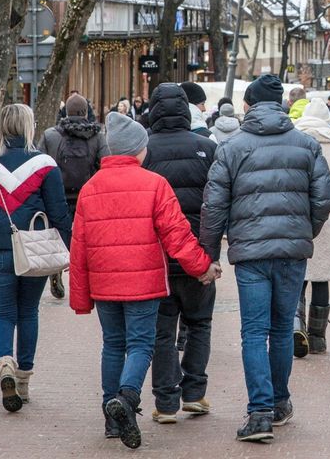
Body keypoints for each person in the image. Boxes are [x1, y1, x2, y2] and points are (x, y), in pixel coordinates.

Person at [70, 110, 218, 448]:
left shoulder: (91, 189)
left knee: (113, 345)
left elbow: (79, 246)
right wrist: (202, 267)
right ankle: (126, 398)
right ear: (139, 150)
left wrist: (80, 297)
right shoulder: (155, 184)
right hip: (144, 283)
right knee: (140, 344)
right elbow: (177, 236)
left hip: (104, 283)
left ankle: (111, 418)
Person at [201, 73, 330, 443]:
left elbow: (213, 206)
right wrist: (306, 231)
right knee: (281, 330)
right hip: (292, 252)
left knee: (254, 331)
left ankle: (259, 412)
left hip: (251, 253)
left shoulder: (231, 147)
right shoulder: (307, 146)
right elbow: (325, 198)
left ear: (250, 105)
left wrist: (209, 253)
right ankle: (279, 403)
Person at [0, 103, 72, 414]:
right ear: (28, 126)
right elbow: (58, 211)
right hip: (34, 252)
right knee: (28, 313)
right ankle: (23, 381)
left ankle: (4, 365)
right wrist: (69, 247)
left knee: (2, 315)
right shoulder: (44, 165)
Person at [139, 84, 219, 425]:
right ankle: (195, 394)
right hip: (197, 255)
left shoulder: (144, 150)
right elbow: (216, 206)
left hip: (156, 257)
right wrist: (211, 254)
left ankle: (166, 402)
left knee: (162, 331)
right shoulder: (208, 148)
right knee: (199, 323)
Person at [292, 99, 330, 358]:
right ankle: (317, 338)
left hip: (298, 217)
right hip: (325, 220)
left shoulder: (294, 143)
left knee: (298, 277)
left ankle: (297, 326)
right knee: (322, 279)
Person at [41, 93, 107, 299]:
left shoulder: (51, 135)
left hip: (57, 195)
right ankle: (86, 279)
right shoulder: (97, 136)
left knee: (58, 235)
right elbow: (106, 164)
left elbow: (40, 164)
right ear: (86, 112)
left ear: (66, 112)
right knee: (87, 239)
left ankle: (57, 268)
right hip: (87, 196)